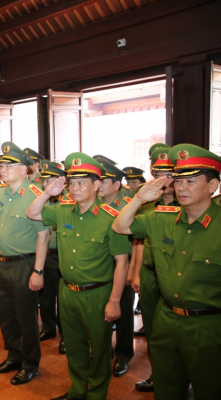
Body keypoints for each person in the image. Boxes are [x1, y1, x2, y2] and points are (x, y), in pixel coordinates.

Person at [113, 144, 221, 400]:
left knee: (210, 389)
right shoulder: (162, 217)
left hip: (209, 326)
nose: (181, 187)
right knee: (166, 387)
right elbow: (120, 226)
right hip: (166, 319)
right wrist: (139, 198)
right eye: (178, 181)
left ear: (213, 185)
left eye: (191, 181)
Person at [26, 152, 131, 400]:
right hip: (68, 291)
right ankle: (77, 389)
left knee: (101, 349)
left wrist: (115, 301)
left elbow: (122, 263)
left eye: (81, 182)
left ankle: (96, 394)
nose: (74, 188)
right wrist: (47, 193)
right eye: (71, 183)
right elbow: (32, 213)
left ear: (97, 185)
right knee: (73, 346)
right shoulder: (63, 211)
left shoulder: (111, 218)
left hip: (97, 293)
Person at [0, 142, 49, 386]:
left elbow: (43, 236)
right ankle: (14, 356)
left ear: (25, 169)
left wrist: (38, 271)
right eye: (1, 165)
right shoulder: (0, 192)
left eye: (9, 165)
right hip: (1, 264)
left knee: (26, 318)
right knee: (6, 316)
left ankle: (30, 364)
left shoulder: (35, 195)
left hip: (24, 264)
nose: (3, 169)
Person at [129, 147, 178, 393]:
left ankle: (180, 377)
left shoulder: (188, 204)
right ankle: (157, 375)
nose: (163, 179)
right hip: (150, 273)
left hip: (176, 276)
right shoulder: (149, 203)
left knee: (176, 334)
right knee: (153, 331)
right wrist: (136, 273)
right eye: (157, 172)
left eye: (168, 174)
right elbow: (138, 241)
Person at [97, 158, 136, 378]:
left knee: (123, 311)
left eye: (104, 181)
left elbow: (138, 238)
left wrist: (132, 269)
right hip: (101, 263)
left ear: (117, 185)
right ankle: (104, 349)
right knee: (102, 308)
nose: (99, 185)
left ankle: (123, 355)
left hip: (122, 263)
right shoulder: (94, 203)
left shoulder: (129, 205)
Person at [37, 160, 66, 355]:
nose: (46, 184)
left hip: (60, 256)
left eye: (51, 180)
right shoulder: (41, 201)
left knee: (62, 298)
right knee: (45, 295)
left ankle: (66, 335)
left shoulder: (67, 202)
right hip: (43, 255)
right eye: (44, 180)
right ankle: (48, 327)